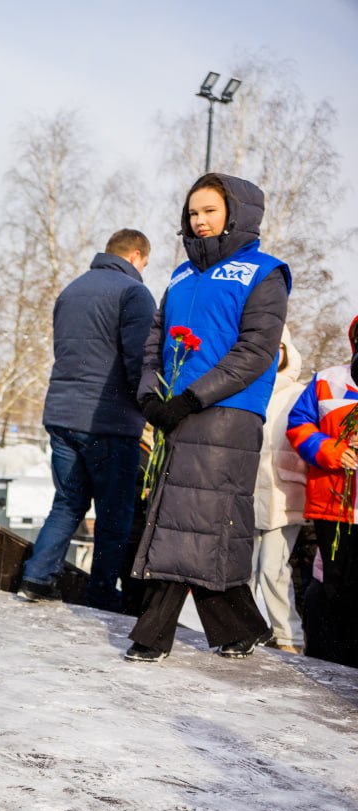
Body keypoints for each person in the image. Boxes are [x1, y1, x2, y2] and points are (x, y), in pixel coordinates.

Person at [124, 173, 289, 663]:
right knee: (197, 521)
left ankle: (152, 634)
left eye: (209, 211)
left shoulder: (265, 272)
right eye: (193, 212)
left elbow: (256, 352)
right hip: (178, 410)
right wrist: (150, 394)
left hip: (226, 414)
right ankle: (240, 627)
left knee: (192, 519)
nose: (198, 220)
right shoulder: (180, 275)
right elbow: (155, 339)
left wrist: (194, 398)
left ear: (236, 214)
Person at [15, 229, 156, 611]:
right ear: (136, 256)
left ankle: (36, 577)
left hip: (61, 414)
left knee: (68, 502)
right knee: (114, 513)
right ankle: (101, 593)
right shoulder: (133, 292)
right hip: (107, 421)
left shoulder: (72, 290)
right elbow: (137, 359)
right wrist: (149, 404)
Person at [287, 314, 358, 667]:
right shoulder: (328, 380)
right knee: (330, 587)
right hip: (333, 505)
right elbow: (299, 424)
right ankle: (325, 661)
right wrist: (330, 450)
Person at [252, 327, 308, 652]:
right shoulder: (246, 389)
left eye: (279, 349)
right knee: (241, 569)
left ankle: (288, 637)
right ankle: (241, 629)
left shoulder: (299, 393)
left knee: (274, 568)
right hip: (245, 493)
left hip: (283, 494)